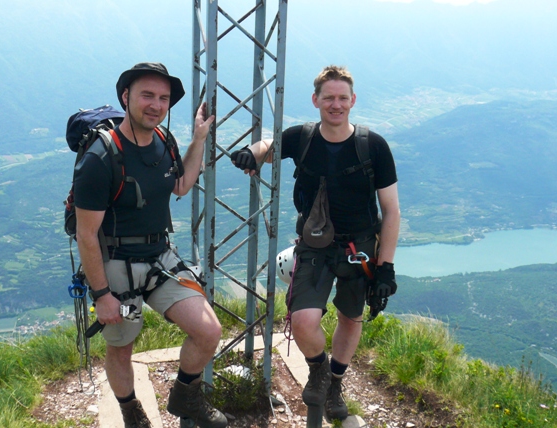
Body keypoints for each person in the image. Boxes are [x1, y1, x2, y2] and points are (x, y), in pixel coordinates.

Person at [230, 65, 400, 421]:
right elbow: (269, 145)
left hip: (361, 248)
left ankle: (334, 383)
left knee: (351, 318)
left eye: (342, 98)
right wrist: (252, 152)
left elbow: (391, 210)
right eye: (328, 98)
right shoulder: (302, 137)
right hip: (314, 245)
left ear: (352, 100)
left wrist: (386, 267)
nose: (335, 105)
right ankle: (320, 369)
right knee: (303, 320)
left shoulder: (374, 147)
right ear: (315, 100)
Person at [74, 62, 227, 428]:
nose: (157, 105)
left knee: (209, 330)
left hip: (159, 255)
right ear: (125, 97)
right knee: (121, 347)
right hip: (115, 262)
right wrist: (102, 295)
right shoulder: (100, 158)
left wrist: (199, 139)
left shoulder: (164, 141)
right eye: (147, 95)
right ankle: (131, 412)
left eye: (164, 98)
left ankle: (184, 395)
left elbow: (181, 184)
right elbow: (86, 234)